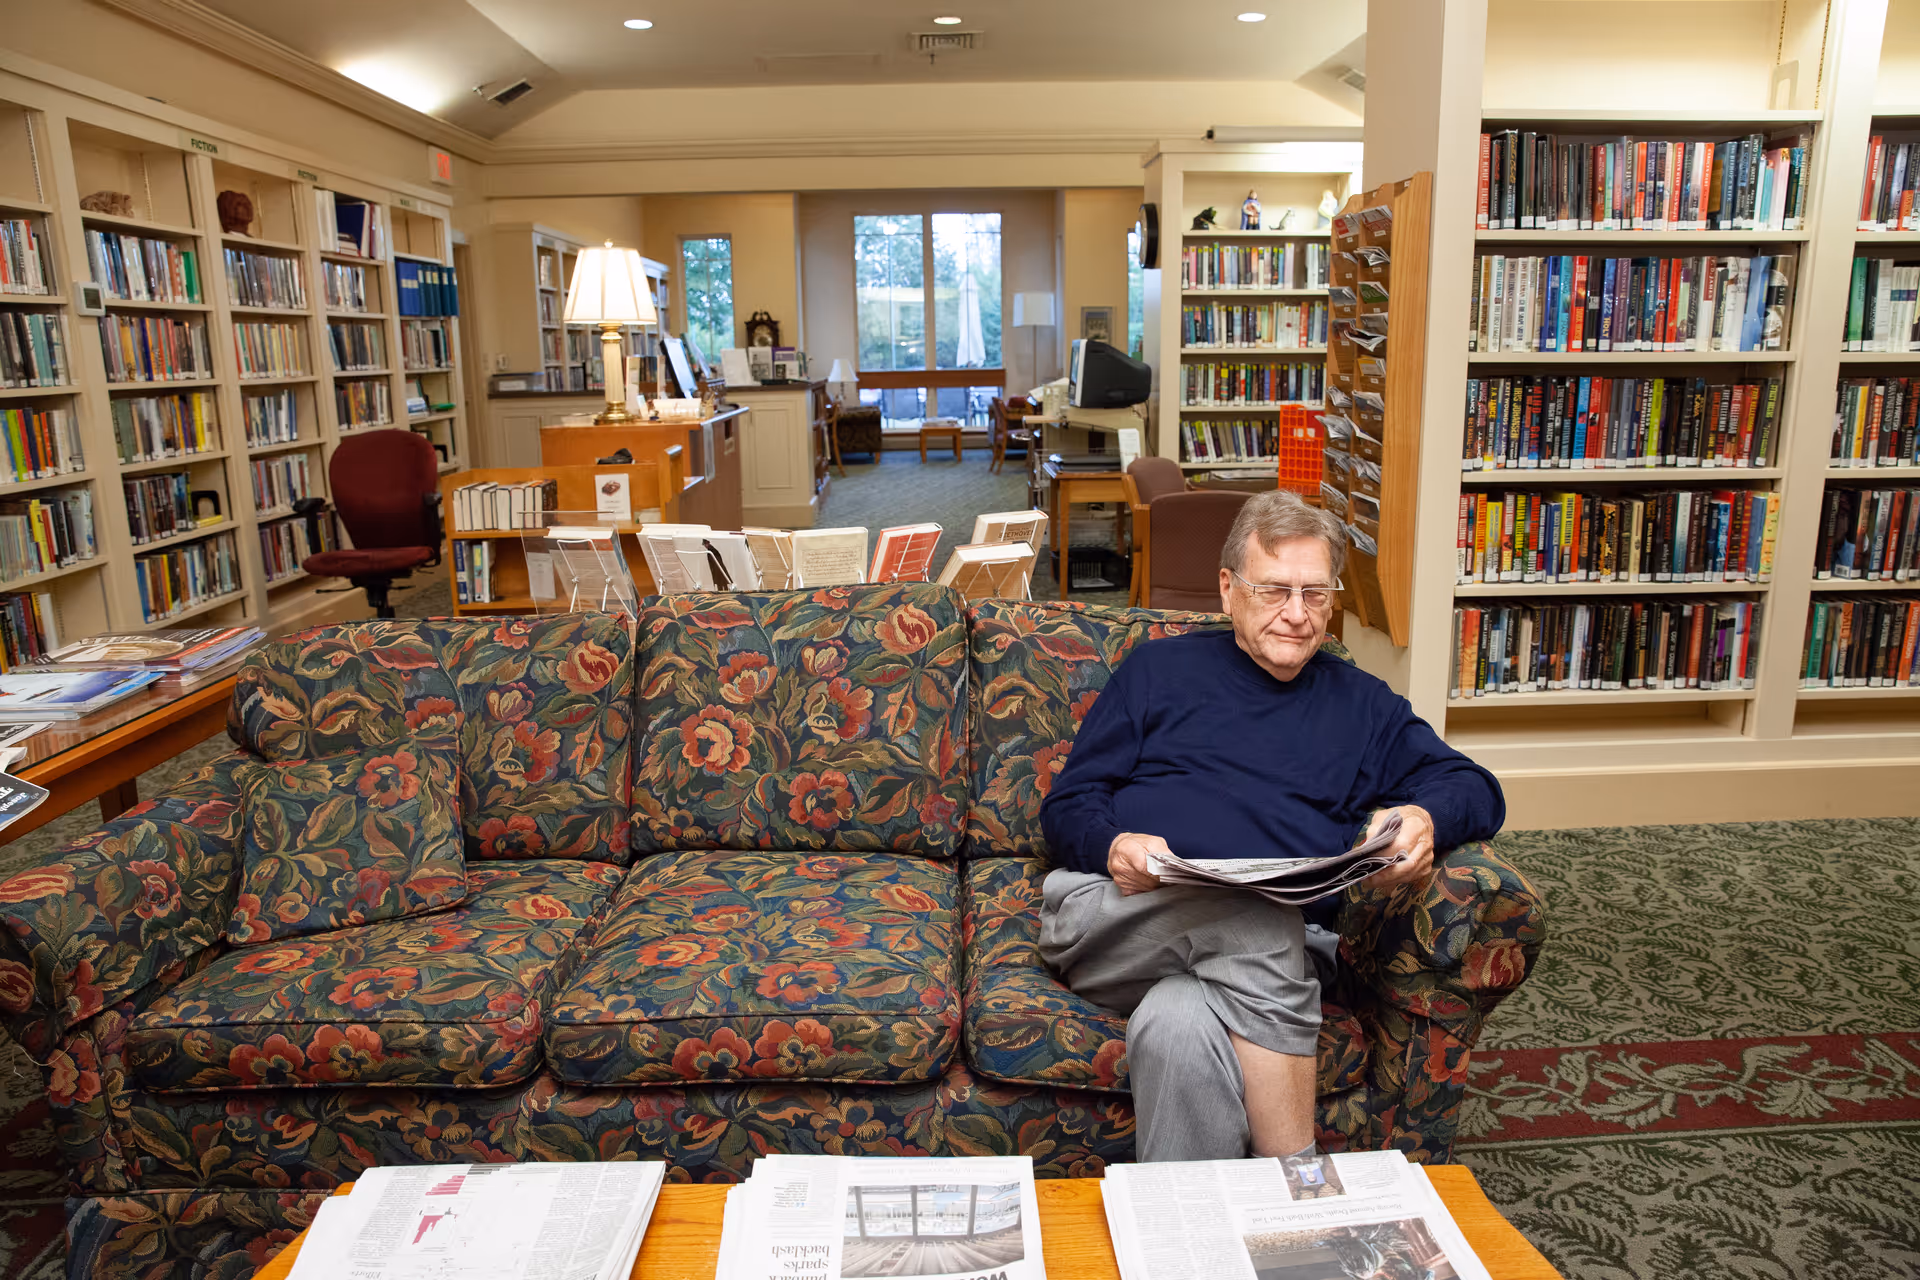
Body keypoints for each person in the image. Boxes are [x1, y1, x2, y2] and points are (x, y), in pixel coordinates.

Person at [1037, 490, 1504, 1163]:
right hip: (1123, 921)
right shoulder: (1157, 672)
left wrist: (1425, 816)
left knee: (1175, 1026)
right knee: (1256, 920)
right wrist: (1115, 845)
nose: (1295, 614)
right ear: (1228, 590)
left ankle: (1191, 1253)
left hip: (1287, 948)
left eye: (1315, 594)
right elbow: (1068, 804)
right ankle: (1302, 1189)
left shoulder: (1362, 705)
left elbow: (1474, 786)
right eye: (1274, 589)